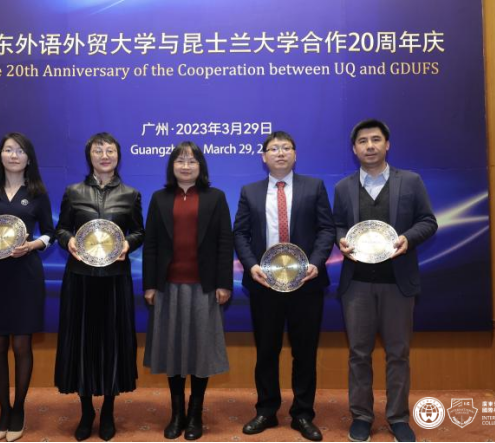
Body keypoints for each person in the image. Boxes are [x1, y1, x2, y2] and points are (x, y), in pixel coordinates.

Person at [333, 119, 437, 443]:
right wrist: (340, 240)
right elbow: (337, 225)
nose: (370, 146)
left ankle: (398, 417)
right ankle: (361, 416)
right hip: (357, 285)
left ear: (387, 144)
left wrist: (408, 238)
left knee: (398, 354)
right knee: (358, 354)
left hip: (398, 283)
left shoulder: (411, 181)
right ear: (354, 149)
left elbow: (428, 221)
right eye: (363, 141)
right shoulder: (343, 187)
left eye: (376, 140)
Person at [233, 131, 335, 442]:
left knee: (305, 351)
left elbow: (326, 229)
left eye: (286, 147)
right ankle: (266, 409)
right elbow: (240, 233)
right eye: (274, 148)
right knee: (267, 350)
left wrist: (315, 262)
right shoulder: (250, 191)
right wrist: (251, 265)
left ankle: (303, 413)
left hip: (306, 283)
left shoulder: (314, 186)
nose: (280, 152)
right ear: (263, 157)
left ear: (295, 154)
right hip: (265, 284)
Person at [54, 132, 145, 442]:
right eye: (98, 151)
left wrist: (127, 245)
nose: (104, 156)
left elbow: (139, 231)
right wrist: (68, 240)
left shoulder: (131, 194)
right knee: (80, 344)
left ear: (118, 156)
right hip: (80, 279)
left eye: (110, 151)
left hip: (115, 280)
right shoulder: (73, 191)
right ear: (89, 156)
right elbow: (61, 228)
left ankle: (107, 410)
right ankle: (85, 411)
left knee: (112, 345)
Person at [143, 141, 233, 440]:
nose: (185, 166)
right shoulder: (159, 198)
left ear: (200, 166)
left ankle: (195, 415)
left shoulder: (215, 197)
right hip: (168, 286)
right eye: (180, 160)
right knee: (172, 351)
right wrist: (150, 284)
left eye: (192, 161)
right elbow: (151, 244)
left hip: (204, 287)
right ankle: (177, 414)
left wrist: (223, 283)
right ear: (172, 166)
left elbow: (225, 242)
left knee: (201, 352)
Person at [0, 132, 54, 443]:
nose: (14, 155)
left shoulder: (37, 193)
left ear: (28, 158)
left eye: (20, 150)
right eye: (8, 150)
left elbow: (50, 233)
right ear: (1, 156)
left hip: (26, 276)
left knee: (21, 345)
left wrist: (32, 245)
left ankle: (18, 409)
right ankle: (3, 411)